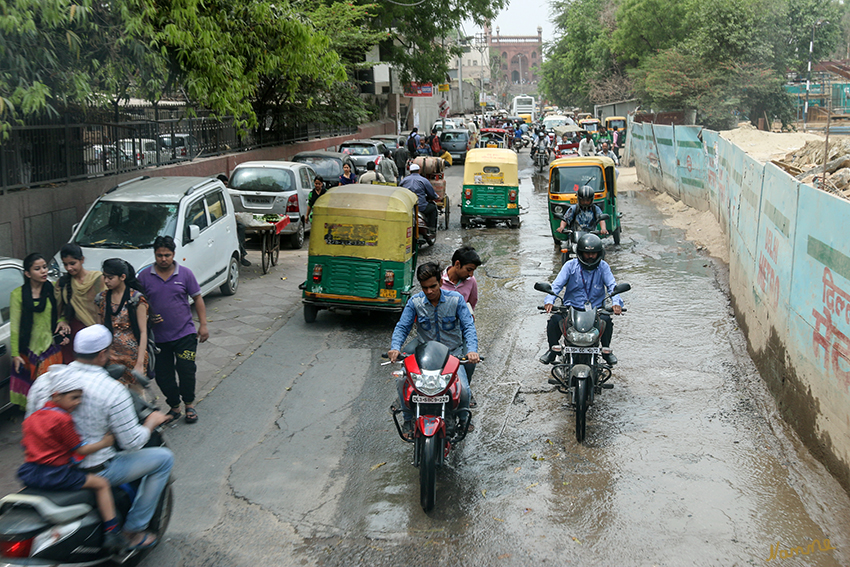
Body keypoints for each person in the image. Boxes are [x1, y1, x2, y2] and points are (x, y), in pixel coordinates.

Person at [19, 370, 123, 551]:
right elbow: (80, 449)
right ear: (56, 395)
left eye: (79, 398)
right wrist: (105, 442)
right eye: (74, 398)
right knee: (102, 484)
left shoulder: (32, 419)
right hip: (56, 473)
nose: (78, 403)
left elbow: (25, 446)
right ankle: (112, 531)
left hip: (31, 471)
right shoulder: (62, 418)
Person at [388, 263, 479, 438]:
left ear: (440, 282)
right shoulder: (414, 302)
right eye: (424, 288)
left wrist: (472, 351)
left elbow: (468, 327)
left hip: (452, 353)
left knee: (465, 390)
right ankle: (408, 419)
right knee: (402, 381)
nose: (429, 292)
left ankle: (462, 418)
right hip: (425, 354)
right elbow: (402, 327)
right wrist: (394, 348)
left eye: (433, 286)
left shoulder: (456, 300)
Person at [138, 236, 208, 424]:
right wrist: (149, 315)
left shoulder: (185, 274)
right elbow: (139, 303)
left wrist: (203, 325)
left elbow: (198, 298)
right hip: (158, 339)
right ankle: (174, 406)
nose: (163, 259)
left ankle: (189, 405)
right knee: (163, 376)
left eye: (167, 255)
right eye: (159, 255)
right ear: (154, 255)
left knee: (186, 370)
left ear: (174, 254)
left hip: (185, 335)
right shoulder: (144, 276)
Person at [539, 234, 623, 367]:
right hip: (571, 309)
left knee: (606, 320)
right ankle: (552, 350)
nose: (590, 257)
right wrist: (549, 300)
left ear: (599, 253)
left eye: (593, 254)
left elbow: (613, 286)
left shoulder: (603, 267)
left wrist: (616, 303)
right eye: (587, 253)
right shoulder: (570, 266)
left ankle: (606, 351)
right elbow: (556, 285)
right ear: (580, 253)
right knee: (554, 320)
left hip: (596, 311)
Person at [9, 253, 66, 409]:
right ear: (28, 274)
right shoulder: (17, 295)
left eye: (44, 267)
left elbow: (61, 313)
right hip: (28, 353)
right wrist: (15, 354)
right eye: (37, 269)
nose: (43, 271)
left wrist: (61, 322)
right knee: (33, 402)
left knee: (51, 398)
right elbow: (14, 328)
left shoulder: (52, 289)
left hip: (50, 350)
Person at [96, 259, 150, 386]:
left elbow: (143, 332)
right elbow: (100, 328)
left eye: (110, 277)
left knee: (137, 393)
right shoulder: (101, 299)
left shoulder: (136, 299)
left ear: (122, 277)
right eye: (104, 276)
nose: (106, 281)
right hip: (110, 356)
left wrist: (140, 363)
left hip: (133, 355)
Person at [441, 246, 482, 397]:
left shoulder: (471, 281)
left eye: (473, 271)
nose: (470, 274)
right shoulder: (437, 282)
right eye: (469, 269)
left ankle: (465, 392)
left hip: (460, 332)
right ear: (457, 264)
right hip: (438, 331)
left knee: (469, 361)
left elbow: (472, 304)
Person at [55, 244, 104, 364]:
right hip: (76, 335)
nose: (69, 268)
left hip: (98, 333)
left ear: (82, 260)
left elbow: (108, 306)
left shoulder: (97, 279)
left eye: (72, 263)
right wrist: (62, 320)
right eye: (65, 264)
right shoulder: (63, 284)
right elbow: (59, 310)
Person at [217, 174, 251, 267]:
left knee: (241, 227)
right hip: (218, 220)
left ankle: (241, 254)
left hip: (227, 218)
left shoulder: (226, 193)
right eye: (224, 184)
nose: (226, 186)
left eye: (226, 184)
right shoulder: (216, 194)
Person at [399, 163, 439, 233]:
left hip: (406, 207)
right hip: (420, 207)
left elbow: (399, 192)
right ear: (419, 171)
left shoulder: (404, 180)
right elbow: (432, 195)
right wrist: (436, 197)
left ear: (410, 171)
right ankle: (432, 228)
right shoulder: (424, 180)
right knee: (433, 208)